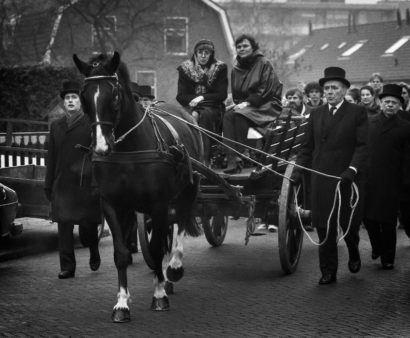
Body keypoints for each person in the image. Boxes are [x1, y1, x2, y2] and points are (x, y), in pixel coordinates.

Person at [291, 66, 368, 285]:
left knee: (349, 226)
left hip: (347, 179)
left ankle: (353, 250)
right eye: (327, 88)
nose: (330, 92)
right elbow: (306, 148)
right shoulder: (316, 114)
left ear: (344, 90)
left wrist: (352, 170)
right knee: (325, 227)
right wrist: (298, 170)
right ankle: (328, 271)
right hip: (321, 179)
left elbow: (363, 146)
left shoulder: (357, 112)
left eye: (335, 88)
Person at [45, 80, 101, 279]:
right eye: (67, 98)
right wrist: (48, 184)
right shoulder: (56, 127)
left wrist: (96, 181)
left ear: (80, 102)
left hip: (84, 182)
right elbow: (51, 157)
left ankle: (93, 249)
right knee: (64, 226)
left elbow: (98, 152)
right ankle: (67, 267)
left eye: (74, 98)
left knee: (88, 226)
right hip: (62, 184)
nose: (70, 101)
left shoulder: (90, 123)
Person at [363, 84, 410, 270]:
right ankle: (377, 245)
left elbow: (408, 157)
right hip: (370, 177)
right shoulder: (369, 123)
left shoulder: (406, 127)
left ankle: (388, 258)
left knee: (388, 220)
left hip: (393, 179)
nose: (390, 105)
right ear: (380, 103)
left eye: (394, 102)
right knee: (369, 218)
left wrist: (406, 181)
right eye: (387, 102)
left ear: (400, 105)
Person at [223, 34, 282, 173]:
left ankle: (243, 153)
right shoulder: (236, 68)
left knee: (240, 115)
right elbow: (237, 94)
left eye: (245, 46)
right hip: (246, 106)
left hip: (267, 103)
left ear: (253, 47)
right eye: (239, 47)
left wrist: (247, 103)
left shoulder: (263, 63)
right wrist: (240, 104)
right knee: (227, 115)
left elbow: (267, 90)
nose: (241, 49)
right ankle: (233, 158)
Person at [176, 39, 228, 165]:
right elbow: (181, 96)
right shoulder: (185, 69)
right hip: (190, 106)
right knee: (180, 118)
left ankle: (205, 158)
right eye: (200, 52)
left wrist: (202, 98)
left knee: (201, 116)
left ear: (211, 54)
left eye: (207, 52)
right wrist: (193, 100)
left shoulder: (220, 68)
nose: (203, 56)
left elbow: (221, 95)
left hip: (212, 106)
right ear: (195, 53)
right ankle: (183, 156)